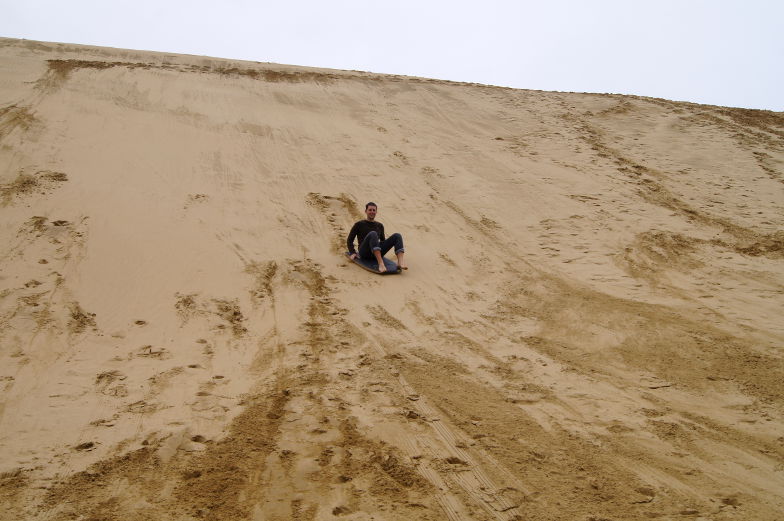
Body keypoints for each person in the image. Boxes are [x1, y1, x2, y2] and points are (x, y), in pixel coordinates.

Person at [347, 202, 407, 273]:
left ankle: (400, 262)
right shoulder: (359, 224)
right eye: (370, 210)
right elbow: (349, 240)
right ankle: (381, 264)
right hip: (364, 252)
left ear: (376, 212)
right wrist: (352, 252)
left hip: (376, 252)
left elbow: (382, 241)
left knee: (397, 235)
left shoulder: (379, 225)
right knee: (373, 233)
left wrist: (385, 247)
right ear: (366, 211)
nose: (372, 212)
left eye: (374, 210)